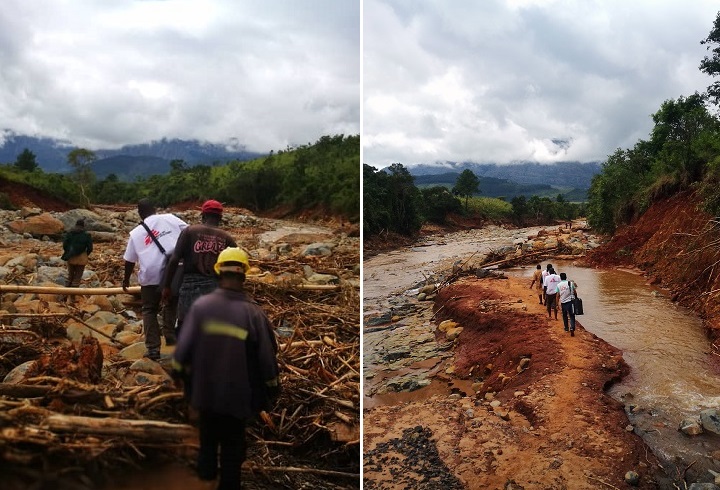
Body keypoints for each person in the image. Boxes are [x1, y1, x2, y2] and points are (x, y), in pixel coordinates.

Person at [172, 247, 280, 489]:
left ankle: (204, 478)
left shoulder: (201, 307)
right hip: (237, 397)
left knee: (208, 437)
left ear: (218, 272)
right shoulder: (253, 313)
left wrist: (179, 377)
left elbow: (181, 353)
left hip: (205, 393)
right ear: (244, 275)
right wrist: (272, 388)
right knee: (233, 447)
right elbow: (266, 359)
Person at [123, 199, 188, 360]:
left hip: (150, 276)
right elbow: (189, 233)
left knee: (149, 310)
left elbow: (129, 260)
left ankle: (153, 349)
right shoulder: (171, 219)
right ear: (155, 209)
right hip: (174, 271)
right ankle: (170, 335)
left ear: (139, 212)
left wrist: (125, 280)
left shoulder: (136, 233)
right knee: (171, 302)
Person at [162, 199, 237, 336]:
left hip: (190, 286)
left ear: (203, 215)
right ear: (220, 217)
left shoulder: (190, 231)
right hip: (214, 287)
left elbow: (174, 260)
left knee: (185, 327)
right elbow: (237, 263)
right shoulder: (226, 238)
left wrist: (167, 286)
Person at [61, 219, 93, 288]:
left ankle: (66, 293)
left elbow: (65, 245)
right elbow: (90, 248)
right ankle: (74, 295)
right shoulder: (87, 235)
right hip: (81, 257)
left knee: (70, 276)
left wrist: (68, 252)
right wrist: (86, 254)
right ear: (83, 226)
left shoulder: (70, 233)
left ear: (76, 224)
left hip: (70, 256)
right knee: (77, 277)